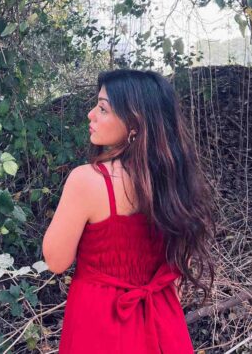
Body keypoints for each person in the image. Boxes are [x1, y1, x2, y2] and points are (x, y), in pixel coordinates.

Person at [42, 69, 215, 353]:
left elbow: (56, 261)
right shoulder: (175, 182)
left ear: (134, 123)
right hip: (163, 322)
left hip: (100, 324)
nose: (90, 114)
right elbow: (178, 275)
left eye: (103, 109)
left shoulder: (86, 180)